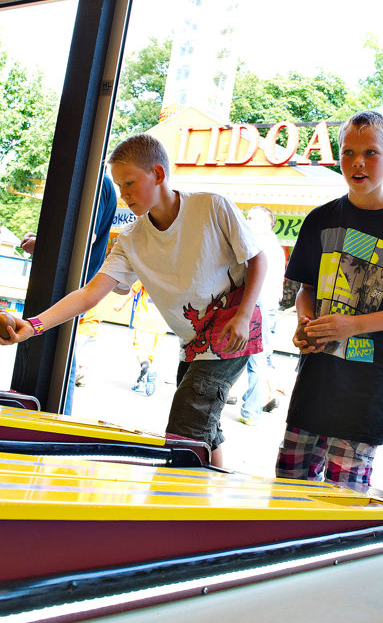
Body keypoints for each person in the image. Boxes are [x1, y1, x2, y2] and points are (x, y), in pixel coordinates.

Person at [1, 134, 266, 468]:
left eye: (129, 184)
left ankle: (178, 512)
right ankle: (214, 494)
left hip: (233, 332)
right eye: (118, 186)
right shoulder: (131, 238)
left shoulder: (212, 205)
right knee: (205, 428)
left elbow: (258, 259)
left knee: (185, 428)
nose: (123, 195)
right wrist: (33, 326)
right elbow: (88, 294)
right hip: (194, 342)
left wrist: (242, 316)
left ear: (157, 174)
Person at [277, 110, 383, 490]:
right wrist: (305, 321)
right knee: (288, 483)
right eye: (348, 153)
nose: (357, 163)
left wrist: (354, 324)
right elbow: (307, 289)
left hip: (367, 387)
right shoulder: (319, 219)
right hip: (315, 381)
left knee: (341, 498)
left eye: (370, 153)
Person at [19, 176, 117, 413]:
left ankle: (51, 433)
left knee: (59, 363)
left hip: (71, 289)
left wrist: (44, 245)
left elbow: (85, 238)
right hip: (71, 289)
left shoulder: (95, 181)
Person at [237, 205, 286, 425]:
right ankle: (264, 397)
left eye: (251, 218)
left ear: (266, 222)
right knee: (262, 357)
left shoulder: (260, 245)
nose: (247, 221)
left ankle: (251, 410)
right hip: (268, 307)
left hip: (260, 308)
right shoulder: (274, 246)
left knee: (255, 359)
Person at [114, 280, 168, 396]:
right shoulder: (171, 277)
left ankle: (147, 369)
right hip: (161, 321)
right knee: (151, 352)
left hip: (144, 319)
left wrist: (121, 304)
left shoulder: (147, 272)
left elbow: (133, 290)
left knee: (140, 348)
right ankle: (142, 381)